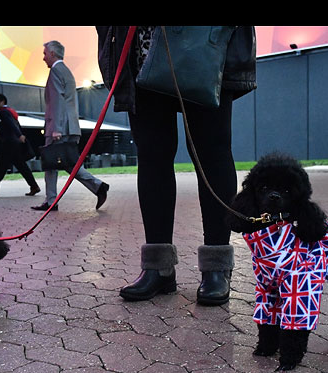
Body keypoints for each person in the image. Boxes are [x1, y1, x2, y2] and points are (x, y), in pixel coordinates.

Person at [96, 26, 257, 305]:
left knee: (212, 152)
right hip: (141, 48)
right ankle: (158, 266)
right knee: (151, 155)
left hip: (205, 44)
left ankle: (217, 265)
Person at [31, 40, 109, 212]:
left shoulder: (56, 71)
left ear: (52, 53)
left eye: (45, 54)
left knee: (52, 162)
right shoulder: (65, 71)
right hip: (70, 126)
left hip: (60, 127)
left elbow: (57, 101)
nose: (43, 58)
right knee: (66, 164)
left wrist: (56, 128)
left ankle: (52, 200)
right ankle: (95, 188)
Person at [0, 94, 40, 197]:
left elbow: (11, 125)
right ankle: (34, 186)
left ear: (2, 101)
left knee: (0, 166)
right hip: (14, 144)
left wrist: (18, 135)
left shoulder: (4, 112)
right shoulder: (10, 112)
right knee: (22, 167)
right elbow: (14, 125)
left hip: (9, 144)